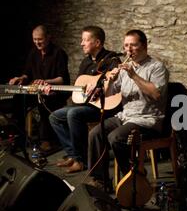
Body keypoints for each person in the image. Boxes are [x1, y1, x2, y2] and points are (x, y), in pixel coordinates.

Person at [87, 29, 169, 191]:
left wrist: (134, 76)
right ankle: (101, 181)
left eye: (133, 45)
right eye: (126, 46)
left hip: (147, 120)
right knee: (95, 134)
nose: (128, 50)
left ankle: (133, 178)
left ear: (144, 46)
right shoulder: (125, 67)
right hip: (125, 116)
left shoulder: (157, 67)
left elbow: (156, 94)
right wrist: (110, 82)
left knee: (116, 137)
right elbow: (110, 94)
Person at [49, 26, 121, 173]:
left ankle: (82, 160)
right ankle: (74, 155)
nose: (81, 43)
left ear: (97, 43)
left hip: (106, 106)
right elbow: (79, 90)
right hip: (88, 105)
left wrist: (100, 86)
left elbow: (117, 78)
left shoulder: (111, 59)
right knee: (54, 116)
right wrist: (52, 89)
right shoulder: (85, 63)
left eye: (85, 40)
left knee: (73, 114)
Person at [9, 24, 70, 153]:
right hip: (36, 90)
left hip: (54, 91)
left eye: (40, 39)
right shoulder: (33, 53)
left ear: (48, 37)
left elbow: (62, 78)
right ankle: (19, 138)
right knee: (18, 101)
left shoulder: (59, 53)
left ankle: (46, 140)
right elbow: (27, 73)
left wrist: (46, 81)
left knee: (44, 101)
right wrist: (21, 78)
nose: (37, 42)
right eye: (35, 39)